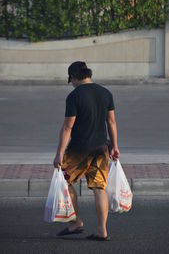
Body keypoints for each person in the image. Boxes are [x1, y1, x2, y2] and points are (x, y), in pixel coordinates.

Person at [53, 61, 120, 241]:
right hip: (101, 148)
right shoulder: (106, 93)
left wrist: (59, 152)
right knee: (99, 188)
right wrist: (114, 146)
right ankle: (102, 230)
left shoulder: (74, 96)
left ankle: (76, 222)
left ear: (73, 77)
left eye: (71, 80)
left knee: (64, 181)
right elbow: (111, 122)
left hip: (79, 150)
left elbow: (68, 127)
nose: (72, 83)